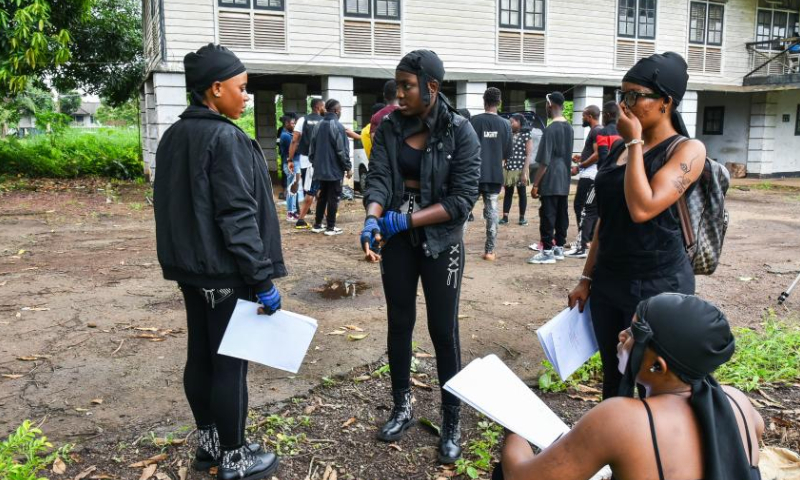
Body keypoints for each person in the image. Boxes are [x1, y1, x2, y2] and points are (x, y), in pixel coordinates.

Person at [153, 44, 283, 480]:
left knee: (201, 356)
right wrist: (261, 278)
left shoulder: (172, 136)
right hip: (226, 272)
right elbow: (237, 217)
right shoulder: (225, 138)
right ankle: (235, 456)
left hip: (190, 271)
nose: (246, 97)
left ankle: (209, 444)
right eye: (241, 88)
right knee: (230, 363)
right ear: (215, 88)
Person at [360, 49, 481, 464]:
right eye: (397, 85)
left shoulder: (460, 130)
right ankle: (403, 406)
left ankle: (451, 420)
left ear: (432, 86)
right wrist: (373, 219)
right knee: (400, 323)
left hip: (440, 243)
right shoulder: (390, 127)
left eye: (406, 86)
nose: (398, 93)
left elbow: (463, 199)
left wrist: (406, 222)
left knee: (443, 331)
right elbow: (377, 179)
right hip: (396, 240)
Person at [497, 293, 764, 480]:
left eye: (634, 332)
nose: (622, 334)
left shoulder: (621, 419)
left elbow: (521, 477)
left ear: (658, 366)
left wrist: (513, 424)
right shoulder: (738, 402)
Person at [568, 52, 706, 400]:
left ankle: (649, 451)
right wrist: (587, 278)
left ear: (665, 102)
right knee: (614, 378)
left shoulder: (687, 150)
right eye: (621, 95)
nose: (623, 105)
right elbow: (607, 219)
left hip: (657, 286)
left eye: (634, 96)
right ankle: (614, 448)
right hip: (609, 281)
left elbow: (643, 207)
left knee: (648, 383)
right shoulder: (618, 148)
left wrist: (634, 143)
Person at [528, 92, 573, 265]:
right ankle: (559, 247)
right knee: (562, 213)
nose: (546, 107)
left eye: (546, 104)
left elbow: (544, 162)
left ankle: (547, 250)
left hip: (551, 177)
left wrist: (536, 184)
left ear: (550, 105)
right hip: (564, 178)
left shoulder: (550, 129)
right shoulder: (569, 128)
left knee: (548, 214)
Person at [470, 87, 512, 261]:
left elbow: (466, 148)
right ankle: (490, 251)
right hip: (494, 174)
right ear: (499, 102)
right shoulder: (505, 124)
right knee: (493, 212)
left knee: (465, 211)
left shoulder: (473, 121)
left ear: (484, 101)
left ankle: (455, 248)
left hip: (473, 174)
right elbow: (507, 153)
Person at [309, 99, 352, 236]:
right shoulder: (338, 126)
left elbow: (312, 149)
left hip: (320, 169)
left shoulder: (318, 125)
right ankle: (331, 227)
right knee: (333, 198)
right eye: (340, 110)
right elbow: (342, 151)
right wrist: (348, 167)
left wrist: (315, 163)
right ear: (336, 111)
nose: (340, 112)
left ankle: (317, 224)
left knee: (322, 197)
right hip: (334, 170)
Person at [566, 105, 602, 259]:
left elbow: (598, 154)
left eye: (583, 116)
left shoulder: (596, 131)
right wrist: (581, 158)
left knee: (582, 208)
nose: (582, 118)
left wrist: (579, 166)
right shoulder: (597, 130)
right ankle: (587, 240)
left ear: (589, 116)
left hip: (590, 176)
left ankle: (584, 242)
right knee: (588, 208)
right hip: (590, 173)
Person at [289, 98, 326, 229]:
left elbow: (294, 141)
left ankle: (325, 215)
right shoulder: (324, 121)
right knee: (312, 190)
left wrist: (290, 159)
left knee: (318, 189)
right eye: (324, 106)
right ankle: (301, 220)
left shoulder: (302, 120)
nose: (325, 109)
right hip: (319, 161)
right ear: (319, 107)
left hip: (306, 160)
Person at [500, 113, 532, 226]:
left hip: (521, 169)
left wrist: (524, 173)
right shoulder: (509, 134)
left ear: (519, 122)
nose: (510, 124)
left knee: (522, 193)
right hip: (509, 169)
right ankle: (505, 217)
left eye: (512, 122)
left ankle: (522, 218)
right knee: (508, 193)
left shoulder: (526, 135)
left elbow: (528, 155)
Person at [279, 113, 301, 222]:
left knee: (294, 189)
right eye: (292, 123)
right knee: (291, 189)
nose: (294, 125)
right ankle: (290, 213)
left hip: (295, 163)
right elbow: (294, 148)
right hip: (290, 164)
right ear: (287, 123)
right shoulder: (286, 136)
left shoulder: (288, 133)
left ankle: (294, 211)